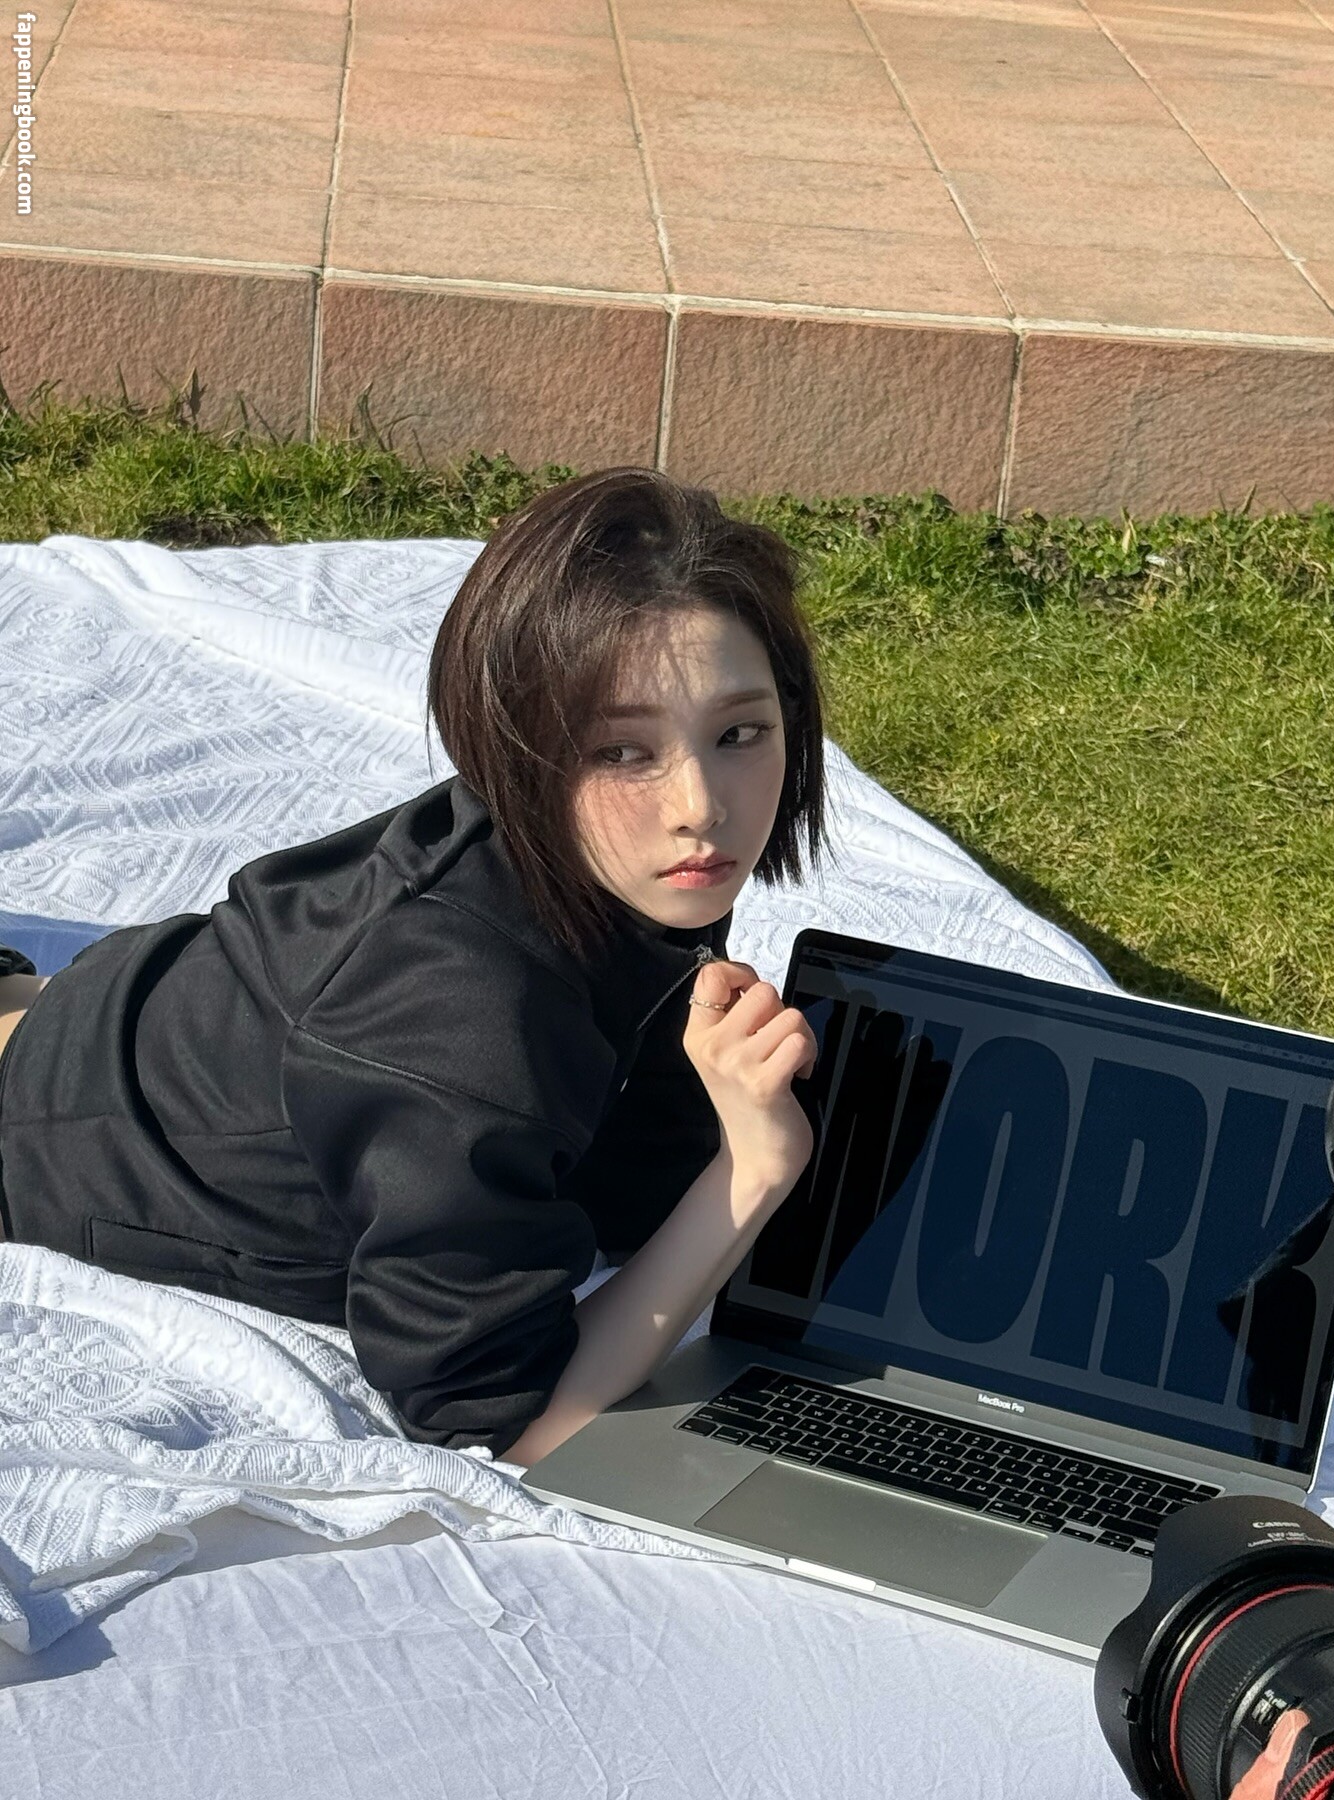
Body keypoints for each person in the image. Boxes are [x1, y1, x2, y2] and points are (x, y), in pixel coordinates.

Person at [0, 467, 833, 1469]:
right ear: (519, 748)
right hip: (45, 1120)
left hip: (150, 1007)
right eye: (622, 751)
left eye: (739, 733)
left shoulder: (621, 869)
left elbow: (620, 1174)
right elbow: (505, 1421)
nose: (700, 804)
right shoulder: (464, 1018)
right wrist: (751, 1167)